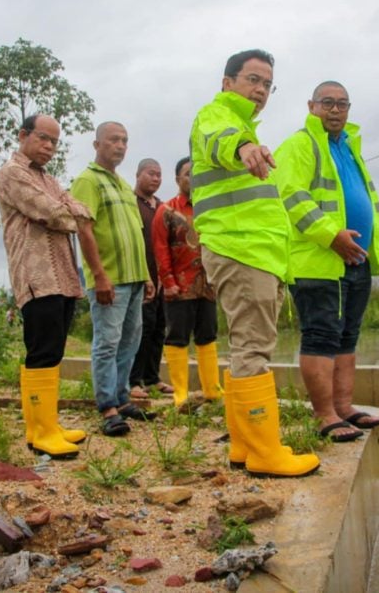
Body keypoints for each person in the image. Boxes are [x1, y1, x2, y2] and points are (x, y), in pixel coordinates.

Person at [189, 49, 319, 478]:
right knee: (253, 349)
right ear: (228, 82)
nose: (260, 90)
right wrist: (243, 146)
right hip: (241, 250)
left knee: (246, 347)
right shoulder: (217, 116)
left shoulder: (237, 122)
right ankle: (265, 452)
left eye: (267, 84)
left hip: (255, 253)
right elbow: (219, 139)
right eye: (252, 80)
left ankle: (245, 446)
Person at [274, 81, 379, 442]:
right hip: (317, 260)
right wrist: (332, 236)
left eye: (342, 104)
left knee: (347, 335)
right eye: (328, 103)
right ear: (312, 106)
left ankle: (344, 407)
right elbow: (291, 197)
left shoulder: (350, 149)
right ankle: (324, 414)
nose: (336, 110)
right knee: (321, 335)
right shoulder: (300, 144)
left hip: (355, 260)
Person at [0, 114, 90, 460]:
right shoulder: (12, 173)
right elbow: (51, 211)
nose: (49, 147)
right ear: (23, 135)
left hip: (63, 275)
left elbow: (75, 207)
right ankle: (39, 432)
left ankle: (47, 423)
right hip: (36, 277)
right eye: (43, 139)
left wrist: (69, 210)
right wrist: (69, 213)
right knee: (42, 350)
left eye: (54, 141)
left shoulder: (47, 178)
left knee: (55, 349)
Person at [71, 122, 156, 437]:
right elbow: (84, 229)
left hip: (134, 279)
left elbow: (136, 235)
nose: (120, 146)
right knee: (107, 343)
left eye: (125, 140)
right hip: (110, 279)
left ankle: (121, 399)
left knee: (129, 342)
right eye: (113, 140)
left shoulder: (122, 185)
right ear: (97, 144)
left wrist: (146, 276)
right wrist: (99, 276)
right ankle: (107, 407)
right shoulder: (87, 180)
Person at [151, 156, 221, 407]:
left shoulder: (211, 207)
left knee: (208, 335)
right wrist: (168, 281)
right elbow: (160, 248)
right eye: (188, 173)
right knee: (177, 336)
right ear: (178, 179)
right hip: (179, 285)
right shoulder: (167, 210)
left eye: (198, 173)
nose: (193, 178)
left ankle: (212, 389)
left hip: (209, 284)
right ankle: (180, 392)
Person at [128, 158, 171, 399]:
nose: (155, 178)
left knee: (158, 329)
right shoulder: (131, 204)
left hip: (164, 278)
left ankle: (153, 378)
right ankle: (134, 381)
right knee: (140, 329)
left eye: (159, 174)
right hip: (141, 277)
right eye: (151, 173)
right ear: (138, 174)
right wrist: (146, 275)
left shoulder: (163, 207)